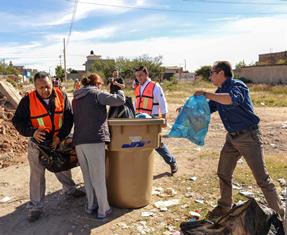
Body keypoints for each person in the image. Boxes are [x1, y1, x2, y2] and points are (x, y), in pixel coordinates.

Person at [194, 61, 285, 221]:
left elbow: (231, 100)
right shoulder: (219, 91)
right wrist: (188, 110)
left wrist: (206, 93)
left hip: (248, 137)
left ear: (221, 73)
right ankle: (224, 208)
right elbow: (209, 108)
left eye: (212, 73)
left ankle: (280, 217)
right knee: (223, 172)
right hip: (232, 138)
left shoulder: (238, 86)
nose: (210, 77)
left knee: (262, 179)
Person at [12, 71, 85, 222]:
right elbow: (17, 121)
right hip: (37, 145)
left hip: (57, 140)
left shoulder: (62, 96)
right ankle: (35, 207)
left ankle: (70, 190)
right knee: (37, 175)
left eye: (47, 86)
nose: (45, 90)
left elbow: (69, 118)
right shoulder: (27, 100)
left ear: (52, 83)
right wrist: (32, 132)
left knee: (62, 166)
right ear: (35, 87)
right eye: (41, 88)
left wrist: (60, 136)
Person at [72, 73, 125, 219]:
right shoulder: (97, 94)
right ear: (97, 84)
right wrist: (119, 89)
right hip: (94, 140)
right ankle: (103, 209)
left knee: (87, 176)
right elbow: (120, 100)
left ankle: (91, 205)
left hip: (79, 142)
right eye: (101, 84)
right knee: (98, 177)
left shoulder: (76, 97)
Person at [134, 66, 178, 175]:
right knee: (138, 141)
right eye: (137, 76)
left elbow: (163, 103)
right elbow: (136, 103)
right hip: (139, 118)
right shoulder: (138, 87)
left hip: (152, 118)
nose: (139, 78)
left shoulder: (155, 86)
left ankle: (172, 162)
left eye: (141, 75)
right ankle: (141, 167)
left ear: (146, 74)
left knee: (156, 143)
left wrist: (164, 119)